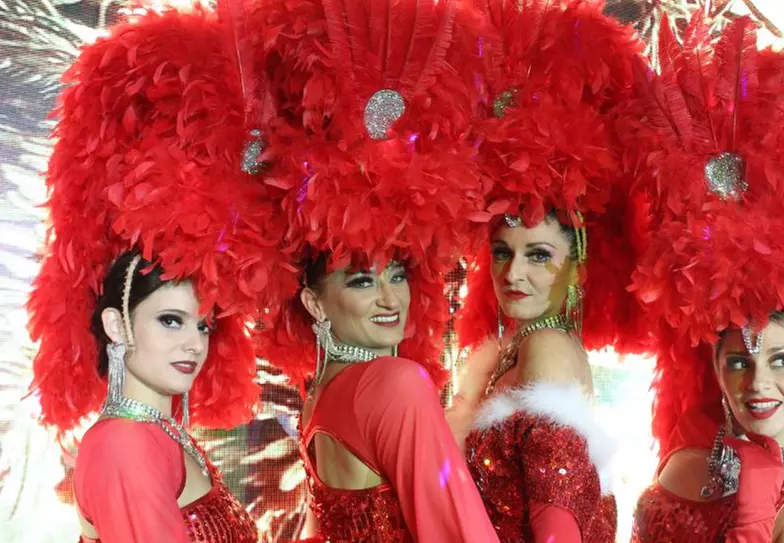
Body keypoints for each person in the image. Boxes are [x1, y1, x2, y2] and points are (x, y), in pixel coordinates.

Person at [26, 6, 294, 541]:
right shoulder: (124, 443)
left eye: (202, 324)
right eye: (171, 320)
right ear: (117, 326)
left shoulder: (162, 434)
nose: (194, 341)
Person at [246, 0, 500, 540]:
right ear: (313, 300)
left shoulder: (322, 396)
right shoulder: (393, 383)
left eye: (398, 273)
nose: (391, 298)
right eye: (362, 279)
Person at [625, 15, 784, 543]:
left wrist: (754, 517)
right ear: (716, 368)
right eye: (739, 360)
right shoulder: (682, 466)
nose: (757, 383)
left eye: (781, 359)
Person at [449, 1, 649, 541]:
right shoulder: (510, 351)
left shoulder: (549, 350)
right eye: (501, 251)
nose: (514, 272)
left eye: (539, 255)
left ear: (576, 271)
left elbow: (556, 527)